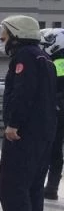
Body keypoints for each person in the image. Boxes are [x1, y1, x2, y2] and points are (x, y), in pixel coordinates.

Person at [0, 16, 57, 211]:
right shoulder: (43, 56)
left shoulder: (25, 57)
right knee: (32, 185)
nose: (2, 38)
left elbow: (23, 93)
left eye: (5, 33)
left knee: (12, 184)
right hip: (44, 131)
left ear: (17, 34)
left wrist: (13, 124)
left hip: (24, 133)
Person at [41, 28, 64, 200]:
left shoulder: (59, 61)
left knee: (50, 149)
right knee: (53, 150)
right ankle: (51, 188)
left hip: (58, 111)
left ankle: (50, 187)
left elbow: (57, 86)